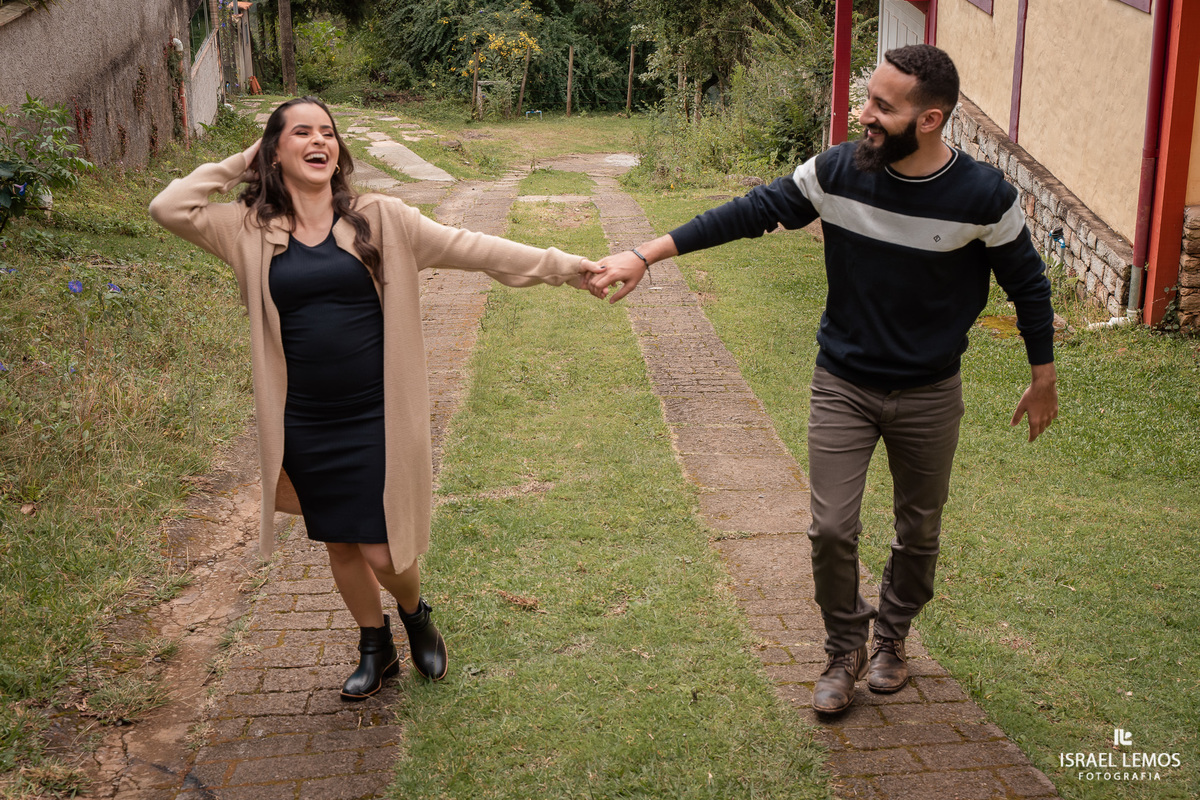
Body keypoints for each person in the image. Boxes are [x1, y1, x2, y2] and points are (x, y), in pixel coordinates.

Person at [587, 44, 1057, 715]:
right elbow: (753, 210)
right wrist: (645, 254)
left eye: (882, 107)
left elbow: (1029, 287)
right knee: (831, 528)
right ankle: (845, 648)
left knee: (918, 530)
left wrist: (1043, 378)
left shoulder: (982, 197)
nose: (863, 114)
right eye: (868, 98)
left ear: (929, 120)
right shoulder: (839, 172)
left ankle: (893, 638)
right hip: (843, 382)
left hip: (928, 392)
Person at [150, 97, 602, 700]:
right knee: (340, 539)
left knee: (383, 547)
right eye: (302, 133)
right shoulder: (247, 229)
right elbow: (168, 206)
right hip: (304, 418)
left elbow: (474, 247)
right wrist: (241, 160)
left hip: (376, 412)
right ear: (274, 150)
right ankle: (375, 645)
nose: (320, 142)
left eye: (329, 134)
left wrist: (566, 266)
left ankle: (415, 614)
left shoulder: (382, 218)